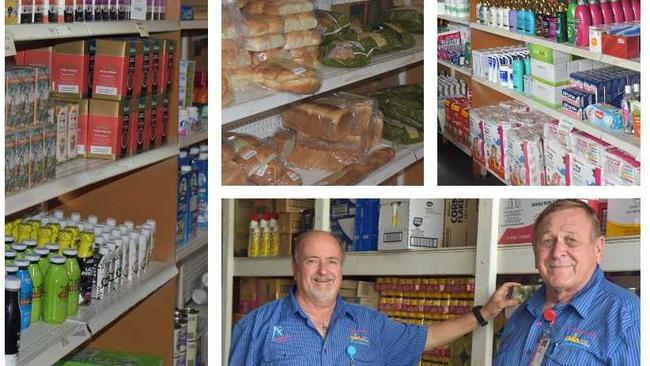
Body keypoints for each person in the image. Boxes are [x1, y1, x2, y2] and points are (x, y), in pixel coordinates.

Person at [230, 230, 519, 365]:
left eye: (332, 261)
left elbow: (425, 337)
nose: (323, 271)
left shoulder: (369, 324)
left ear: (341, 269)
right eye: (311, 261)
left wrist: (486, 313)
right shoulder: (258, 326)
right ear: (294, 268)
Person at [494, 199, 640, 365]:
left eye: (571, 240)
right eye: (548, 241)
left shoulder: (629, 318)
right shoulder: (522, 313)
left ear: (598, 249)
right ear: (535, 252)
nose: (557, 253)